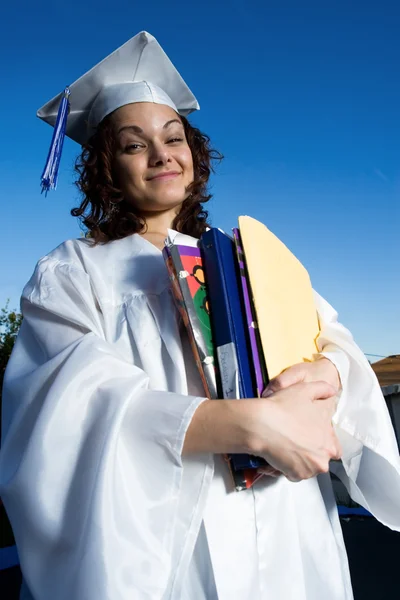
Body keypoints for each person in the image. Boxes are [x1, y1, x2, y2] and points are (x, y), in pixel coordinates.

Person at [0, 31, 399, 600]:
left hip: (286, 523)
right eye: (134, 145)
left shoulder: (247, 257)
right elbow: (70, 406)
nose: (162, 154)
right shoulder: (75, 272)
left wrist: (332, 371)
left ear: (194, 153)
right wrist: (248, 424)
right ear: (105, 168)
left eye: (173, 137)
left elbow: (330, 340)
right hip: (169, 540)